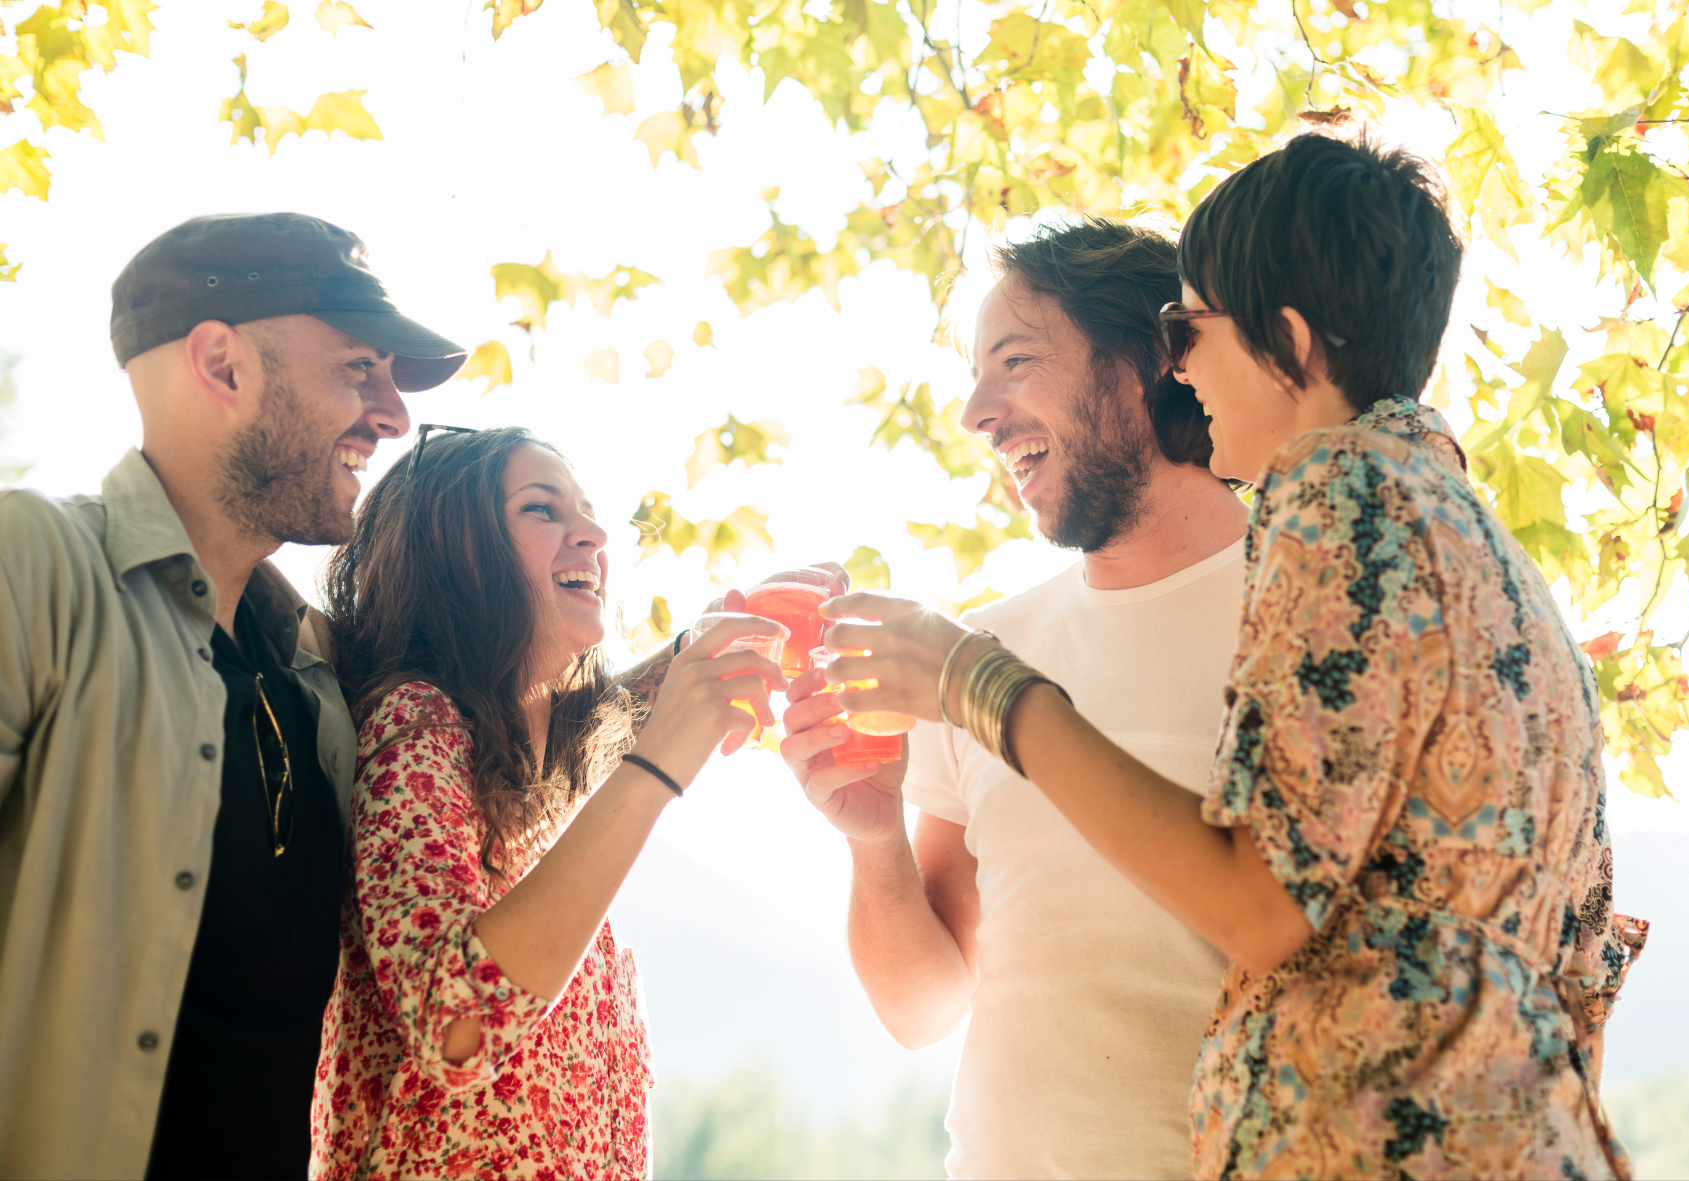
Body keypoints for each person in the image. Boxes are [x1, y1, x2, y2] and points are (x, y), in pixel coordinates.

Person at [816, 133, 1649, 1180]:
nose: (1183, 365)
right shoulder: (1468, 543)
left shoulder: (1338, 505)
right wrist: (875, 829)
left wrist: (977, 687)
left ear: (1286, 343)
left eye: (1189, 329)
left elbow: (1262, 903)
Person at [0, 212, 469, 1179]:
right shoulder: (33, 569)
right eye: (357, 370)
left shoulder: (318, 671)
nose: (393, 415)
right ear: (222, 365)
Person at [780, 218, 1251, 1178]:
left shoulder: (1311, 622)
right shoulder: (982, 650)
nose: (975, 415)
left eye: (1016, 362)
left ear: (1149, 362)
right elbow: (924, 1008)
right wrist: (873, 843)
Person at [310, 426, 794, 1179]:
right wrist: (658, 764)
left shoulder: (543, 796)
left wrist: (717, 640)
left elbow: (603, 722)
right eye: (542, 510)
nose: (596, 535)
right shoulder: (418, 728)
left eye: (588, 513)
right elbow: (456, 1017)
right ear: (460, 552)